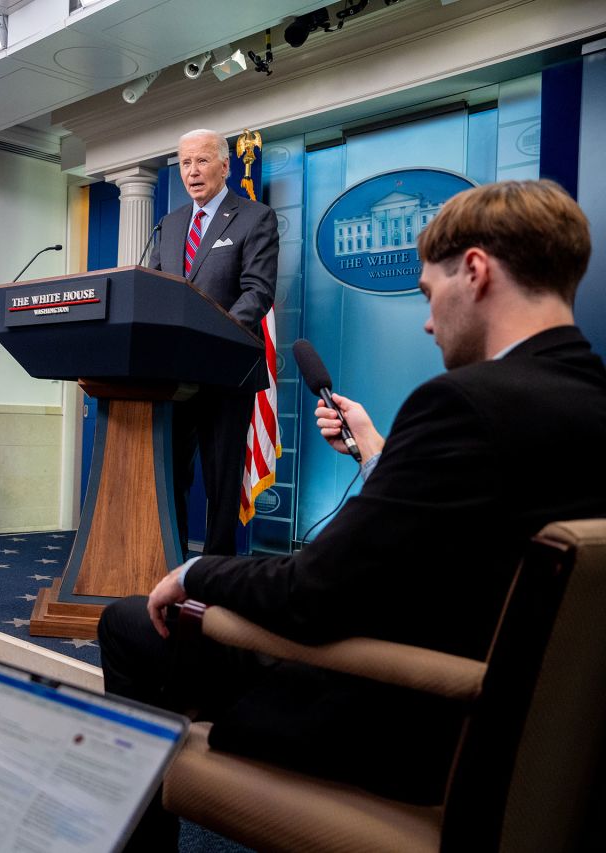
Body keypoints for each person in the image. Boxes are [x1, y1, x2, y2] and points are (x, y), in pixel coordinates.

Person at [103, 178, 606, 848]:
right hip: (537, 728)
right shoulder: (587, 400)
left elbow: (310, 594)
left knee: (134, 621)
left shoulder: (459, 403)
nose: (429, 322)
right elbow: (475, 526)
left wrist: (195, 572)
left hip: (404, 720)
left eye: (429, 295)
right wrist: (376, 453)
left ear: (477, 272)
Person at [149, 128, 278, 557]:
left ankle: (215, 574)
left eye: (202, 161)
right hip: (173, 376)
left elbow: (257, 292)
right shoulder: (168, 226)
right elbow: (154, 294)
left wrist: (206, 338)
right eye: (185, 163)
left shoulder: (255, 217)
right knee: (172, 478)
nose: (192, 171)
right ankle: (173, 562)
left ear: (225, 166)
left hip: (226, 373)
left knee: (222, 481)